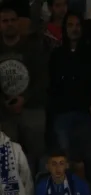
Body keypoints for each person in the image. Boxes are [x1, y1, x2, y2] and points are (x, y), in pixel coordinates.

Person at [0, 5, 47, 169]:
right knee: (7, 154)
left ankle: (38, 185)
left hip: (31, 105)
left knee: (37, 151)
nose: (10, 24)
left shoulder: (32, 47)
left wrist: (24, 99)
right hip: (4, 110)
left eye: (13, 20)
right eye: (5, 21)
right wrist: (5, 102)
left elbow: (42, 79)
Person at [47, 13, 91, 154]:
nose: (74, 29)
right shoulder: (56, 55)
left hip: (86, 112)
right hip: (63, 113)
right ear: (64, 28)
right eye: (70, 25)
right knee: (64, 156)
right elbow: (52, 85)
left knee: (86, 154)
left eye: (77, 25)